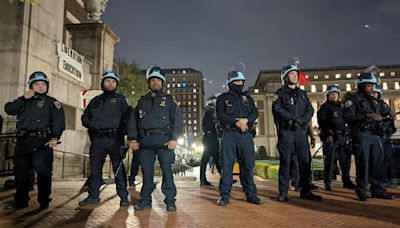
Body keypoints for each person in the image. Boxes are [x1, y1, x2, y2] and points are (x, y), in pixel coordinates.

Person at [4, 71, 65, 209]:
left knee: (43, 173)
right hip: (23, 142)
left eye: (43, 84)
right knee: (21, 174)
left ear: (47, 86)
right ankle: (21, 201)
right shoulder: (23, 101)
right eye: (37, 84)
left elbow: (59, 122)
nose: (40, 87)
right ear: (31, 86)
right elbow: (9, 110)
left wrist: (55, 137)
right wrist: (22, 98)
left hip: (42, 142)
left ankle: (44, 200)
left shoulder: (53, 103)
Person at [128, 65, 183, 211]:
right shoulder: (142, 101)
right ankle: (145, 200)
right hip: (145, 142)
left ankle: (170, 200)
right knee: (147, 173)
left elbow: (178, 121)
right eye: (153, 80)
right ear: (149, 83)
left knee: (167, 171)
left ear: (162, 83)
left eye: (158, 81)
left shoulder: (170, 101)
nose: (155, 83)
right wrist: (133, 139)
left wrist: (174, 139)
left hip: (165, 141)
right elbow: (133, 121)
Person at [79, 71, 131, 207]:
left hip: (115, 140)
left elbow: (129, 119)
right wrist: (93, 124)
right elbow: (84, 118)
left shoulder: (121, 100)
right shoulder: (95, 101)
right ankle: (93, 196)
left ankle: (124, 197)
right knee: (95, 170)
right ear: (103, 83)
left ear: (116, 84)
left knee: (119, 170)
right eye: (108, 81)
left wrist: (127, 135)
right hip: (97, 141)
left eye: (113, 81)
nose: (110, 83)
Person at [272, 63, 322, 202]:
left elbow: (310, 110)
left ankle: (305, 191)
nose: (295, 76)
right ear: (285, 77)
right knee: (286, 163)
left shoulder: (302, 94)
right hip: (287, 133)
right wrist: (295, 119)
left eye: (296, 74)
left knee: (305, 162)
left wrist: (303, 120)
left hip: (300, 133)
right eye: (292, 74)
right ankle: (283, 193)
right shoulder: (280, 94)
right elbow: (277, 110)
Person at [343, 72, 394, 201]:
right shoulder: (353, 100)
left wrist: (385, 120)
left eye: (373, 85)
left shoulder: (375, 101)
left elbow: (385, 116)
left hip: (376, 135)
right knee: (363, 163)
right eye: (369, 85)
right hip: (362, 134)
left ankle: (377, 189)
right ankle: (362, 190)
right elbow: (347, 117)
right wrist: (367, 116)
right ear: (362, 85)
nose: (372, 88)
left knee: (377, 163)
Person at [216, 69, 261, 206]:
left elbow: (255, 113)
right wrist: (236, 121)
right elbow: (220, 115)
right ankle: (224, 195)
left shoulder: (248, 98)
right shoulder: (222, 98)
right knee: (227, 165)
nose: (239, 84)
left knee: (248, 165)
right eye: (236, 81)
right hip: (229, 135)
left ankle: (251, 194)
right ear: (230, 83)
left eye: (241, 81)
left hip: (245, 136)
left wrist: (246, 120)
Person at [317, 85, 355, 191]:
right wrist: (327, 135)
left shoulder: (343, 106)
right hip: (332, 137)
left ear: (339, 94)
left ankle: (346, 181)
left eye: (336, 93)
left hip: (343, 136)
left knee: (345, 161)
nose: (334, 95)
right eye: (331, 93)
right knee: (329, 161)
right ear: (327, 95)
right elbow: (322, 123)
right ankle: (327, 182)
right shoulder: (324, 107)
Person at [371, 84, 396, 187]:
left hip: (385, 135)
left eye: (375, 93)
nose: (373, 94)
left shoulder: (384, 105)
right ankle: (375, 181)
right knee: (376, 160)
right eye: (371, 92)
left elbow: (389, 119)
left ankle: (385, 179)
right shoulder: (368, 105)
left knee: (387, 158)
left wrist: (389, 130)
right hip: (375, 136)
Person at [200, 94, 221, 186]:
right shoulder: (210, 111)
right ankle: (203, 179)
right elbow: (209, 125)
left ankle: (203, 179)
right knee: (208, 158)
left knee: (216, 158)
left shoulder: (209, 111)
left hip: (211, 137)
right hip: (209, 137)